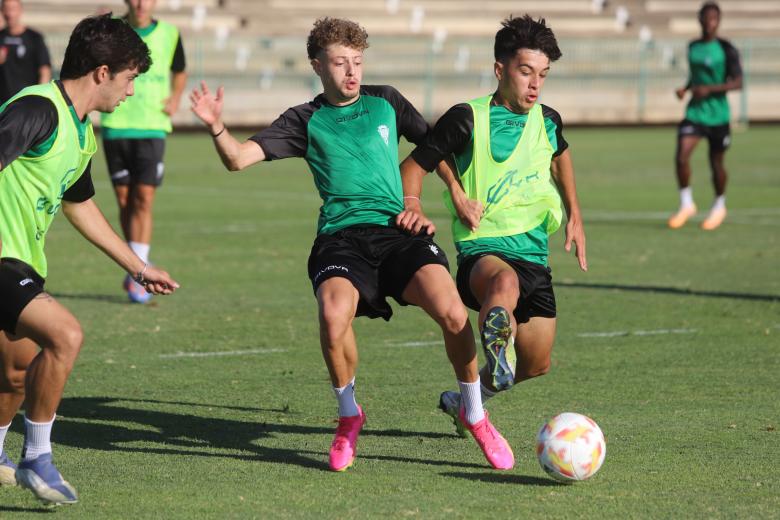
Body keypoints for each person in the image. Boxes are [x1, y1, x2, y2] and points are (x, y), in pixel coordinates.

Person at [190, 17, 514, 472]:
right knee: (331, 314)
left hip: (397, 232)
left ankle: (475, 414)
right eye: (340, 63)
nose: (351, 72)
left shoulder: (386, 101)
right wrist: (216, 127)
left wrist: (451, 196)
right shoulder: (304, 119)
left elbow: (432, 146)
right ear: (317, 65)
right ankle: (348, 416)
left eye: (357, 62)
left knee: (454, 312)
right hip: (341, 239)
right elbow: (239, 160)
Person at [0, 14, 179, 505]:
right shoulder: (38, 109)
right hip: (1, 261)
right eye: (128, 80)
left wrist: (138, 267)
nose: (130, 92)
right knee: (66, 335)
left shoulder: (81, 134)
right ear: (102, 72)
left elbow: (81, 206)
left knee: (15, 373)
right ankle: (38, 456)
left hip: (23, 262)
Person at [397, 15, 587, 435]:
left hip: (534, 255)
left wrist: (575, 213)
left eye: (543, 75)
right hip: (483, 251)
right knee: (504, 286)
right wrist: (416, 206)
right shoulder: (467, 118)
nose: (535, 84)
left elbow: (560, 155)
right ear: (500, 70)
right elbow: (412, 166)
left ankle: (466, 401)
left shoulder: (548, 119)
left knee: (537, 363)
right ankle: (498, 338)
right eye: (525, 72)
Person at [100, 0, 187, 302]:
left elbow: (180, 71)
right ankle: (135, 262)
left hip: (152, 125)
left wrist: (175, 98)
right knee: (125, 200)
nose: (140, 4)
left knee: (144, 197)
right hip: (116, 122)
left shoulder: (170, 34)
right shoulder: (113, 31)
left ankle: (139, 272)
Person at [669, 1, 742, 231]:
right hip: (695, 112)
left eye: (714, 19)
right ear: (700, 20)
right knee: (682, 155)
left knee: (716, 163)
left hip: (718, 115)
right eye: (706, 18)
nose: (710, 23)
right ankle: (686, 203)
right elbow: (696, 77)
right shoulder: (693, 47)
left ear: (718, 21)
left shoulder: (726, 49)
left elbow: (738, 82)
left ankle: (720, 204)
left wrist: (709, 90)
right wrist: (686, 88)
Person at [0, 0, 51, 104]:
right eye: (6, 9)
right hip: (3, 103)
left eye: (13, 9)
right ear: (1, 11)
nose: (10, 14)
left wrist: (39, 98)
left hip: (27, 102)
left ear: (20, 10)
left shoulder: (34, 37)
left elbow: (45, 69)